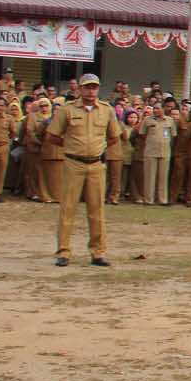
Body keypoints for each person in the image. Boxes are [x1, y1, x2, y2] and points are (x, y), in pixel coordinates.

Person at [46, 74, 120, 267]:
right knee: (68, 208)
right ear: (79, 89)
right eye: (87, 87)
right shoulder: (66, 110)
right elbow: (52, 135)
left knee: (97, 210)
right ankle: (63, 252)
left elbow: (114, 137)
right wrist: (71, 145)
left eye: (94, 87)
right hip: (73, 163)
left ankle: (98, 252)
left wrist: (99, 149)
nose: (91, 91)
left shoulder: (106, 110)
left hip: (96, 165)